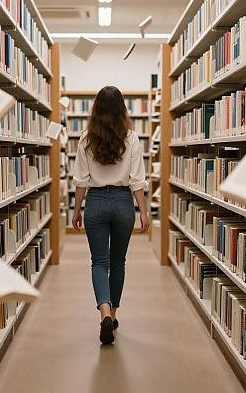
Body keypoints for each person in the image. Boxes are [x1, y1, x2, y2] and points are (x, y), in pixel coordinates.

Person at [72, 86, 149, 345]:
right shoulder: (131, 137)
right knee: (118, 262)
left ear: (95, 109)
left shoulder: (85, 138)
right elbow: (137, 180)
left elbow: (81, 181)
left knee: (98, 262)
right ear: (122, 109)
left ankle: (103, 312)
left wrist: (76, 210)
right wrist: (144, 212)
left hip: (94, 203)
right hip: (122, 203)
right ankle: (113, 314)